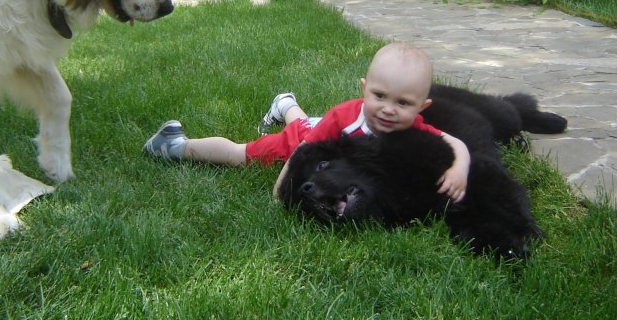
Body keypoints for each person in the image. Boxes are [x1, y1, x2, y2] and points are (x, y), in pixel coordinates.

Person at [143, 42, 470, 202]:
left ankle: (285, 103)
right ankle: (174, 145)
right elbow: (302, 153)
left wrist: (459, 170)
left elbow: (456, 144)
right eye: (380, 96)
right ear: (364, 89)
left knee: (308, 123)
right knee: (240, 154)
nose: (388, 110)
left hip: (317, 126)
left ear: (422, 108)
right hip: (303, 141)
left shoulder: (413, 129)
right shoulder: (344, 117)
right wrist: (280, 192)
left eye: (403, 103)